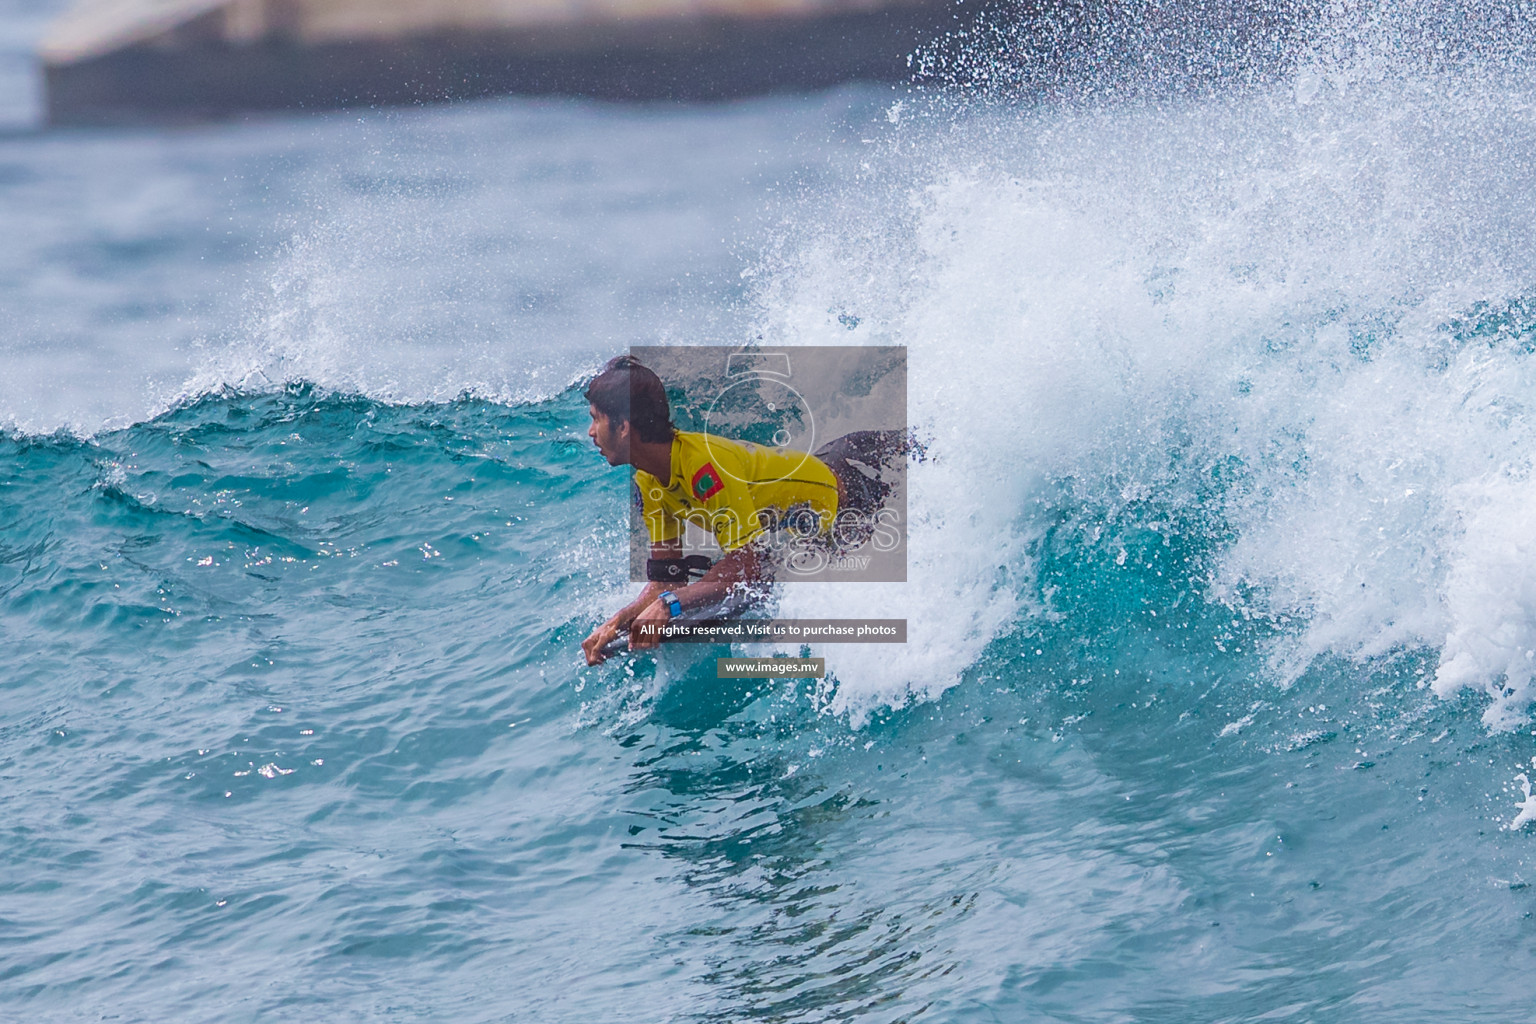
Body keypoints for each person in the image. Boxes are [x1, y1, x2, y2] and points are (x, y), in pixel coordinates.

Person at [581, 355, 883, 666]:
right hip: (819, 486)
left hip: (860, 479)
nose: (591, 432)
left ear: (624, 427)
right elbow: (667, 581)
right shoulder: (648, 481)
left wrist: (668, 605)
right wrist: (618, 622)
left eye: (596, 419)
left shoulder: (704, 468)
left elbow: (745, 566)